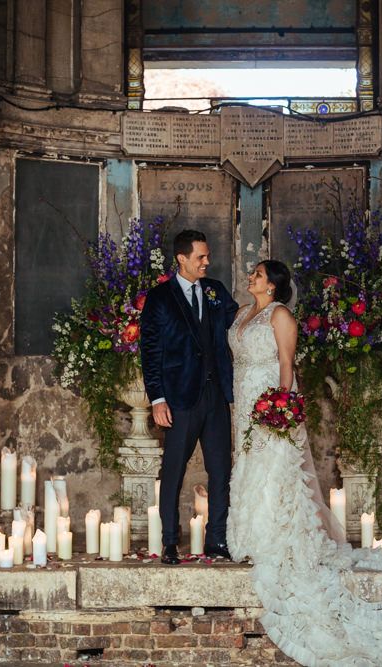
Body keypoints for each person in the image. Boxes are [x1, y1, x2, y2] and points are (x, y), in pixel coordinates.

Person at [227, 259, 382, 666]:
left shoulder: (280, 314)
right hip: (244, 401)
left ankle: (275, 539)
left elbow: (286, 363)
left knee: (275, 470)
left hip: (269, 401)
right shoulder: (242, 312)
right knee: (248, 466)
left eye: (259, 274)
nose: (252, 278)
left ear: (274, 284)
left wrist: (281, 406)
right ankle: (248, 534)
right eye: (253, 274)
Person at [140, 229, 239, 564]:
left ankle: (217, 540)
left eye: (207, 256)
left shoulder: (216, 291)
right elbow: (150, 351)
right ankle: (170, 541)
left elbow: (238, 325)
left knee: (221, 471)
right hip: (179, 398)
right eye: (201, 257)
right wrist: (157, 399)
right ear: (181, 259)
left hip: (216, 397)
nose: (207, 262)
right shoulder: (159, 297)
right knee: (173, 471)